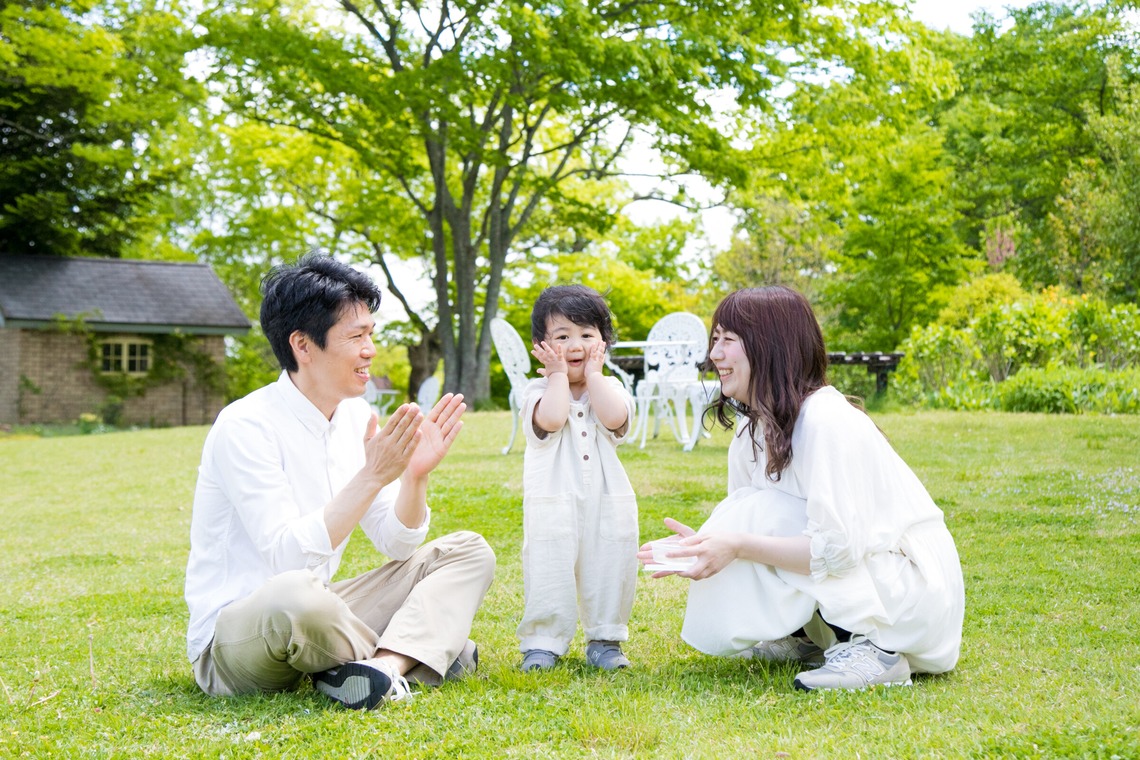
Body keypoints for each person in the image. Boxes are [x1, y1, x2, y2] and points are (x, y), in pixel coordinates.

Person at [184, 252, 496, 710]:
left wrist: (413, 477)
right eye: (356, 336)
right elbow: (286, 558)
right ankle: (420, 649)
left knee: (468, 550)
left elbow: (397, 544)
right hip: (245, 632)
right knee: (298, 595)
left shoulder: (353, 417)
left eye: (371, 333)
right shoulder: (245, 425)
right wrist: (371, 475)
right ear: (303, 346)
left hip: (323, 613)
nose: (370, 349)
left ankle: (385, 669)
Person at [638, 286, 964, 691]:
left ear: (770, 347)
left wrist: (735, 544)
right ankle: (804, 638)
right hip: (872, 578)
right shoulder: (750, 428)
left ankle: (873, 652)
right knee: (748, 511)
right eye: (714, 339)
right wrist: (710, 544)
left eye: (728, 340)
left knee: (757, 519)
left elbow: (837, 550)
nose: (714, 355)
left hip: (910, 598)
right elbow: (748, 520)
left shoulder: (827, 420)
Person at [516, 285, 639, 672]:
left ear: (604, 343)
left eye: (587, 335)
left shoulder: (610, 388)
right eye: (563, 336)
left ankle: (605, 639)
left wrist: (595, 377)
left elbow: (615, 418)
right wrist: (556, 378)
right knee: (549, 566)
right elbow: (551, 419)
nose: (576, 344)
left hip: (608, 500)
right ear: (541, 346)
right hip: (552, 501)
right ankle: (543, 640)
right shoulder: (537, 391)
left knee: (609, 564)